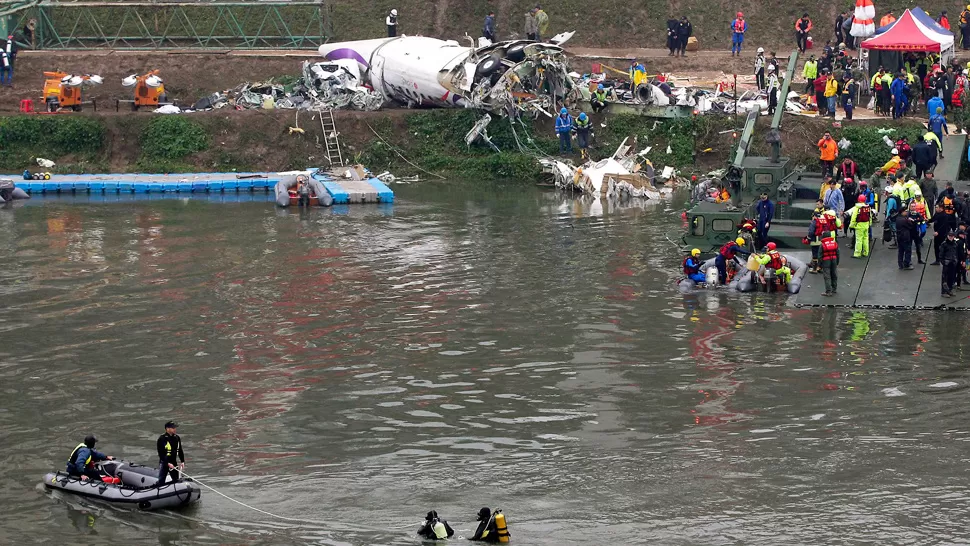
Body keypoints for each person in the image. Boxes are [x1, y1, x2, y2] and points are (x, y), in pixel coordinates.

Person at [157, 421, 185, 486]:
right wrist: (167, 463)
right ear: (167, 429)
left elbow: (180, 450)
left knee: (176, 480)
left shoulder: (177, 438)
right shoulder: (162, 439)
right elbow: (160, 453)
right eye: (173, 428)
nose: (175, 429)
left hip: (173, 462)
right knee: (161, 480)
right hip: (164, 462)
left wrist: (182, 461)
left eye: (175, 428)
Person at [910, 190, 929, 264]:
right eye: (917, 196)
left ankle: (920, 239)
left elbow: (926, 209)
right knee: (916, 233)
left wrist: (928, 217)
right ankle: (918, 240)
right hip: (915, 222)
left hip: (922, 219)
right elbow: (909, 211)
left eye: (919, 196)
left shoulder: (923, 201)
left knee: (923, 231)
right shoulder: (912, 202)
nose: (918, 197)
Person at [940, 230, 960, 296]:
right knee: (945, 277)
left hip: (953, 262)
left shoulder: (955, 244)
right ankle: (944, 292)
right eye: (950, 236)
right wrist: (943, 262)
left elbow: (956, 253)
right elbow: (941, 254)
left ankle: (950, 290)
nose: (951, 237)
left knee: (951, 277)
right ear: (947, 236)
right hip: (946, 263)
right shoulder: (944, 244)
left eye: (952, 236)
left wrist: (956, 260)